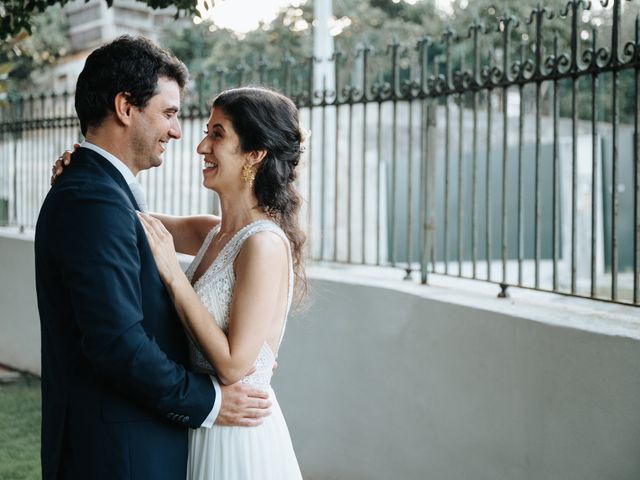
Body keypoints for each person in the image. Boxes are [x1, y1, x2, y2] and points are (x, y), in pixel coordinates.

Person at [36, 36, 271, 480]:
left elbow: (170, 232)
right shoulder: (93, 199)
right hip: (118, 454)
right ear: (125, 107)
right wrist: (211, 402)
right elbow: (117, 344)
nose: (181, 133)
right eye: (169, 113)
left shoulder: (105, 197)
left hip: (146, 442)